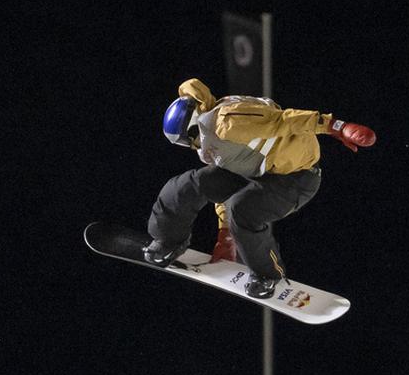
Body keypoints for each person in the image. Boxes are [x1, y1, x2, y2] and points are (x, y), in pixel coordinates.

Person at [147, 78, 376, 298]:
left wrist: (336, 127)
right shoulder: (210, 137)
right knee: (186, 186)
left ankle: (268, 274)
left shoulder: (227, 123)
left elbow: (284, 120)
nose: (188, 146)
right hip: (255, 170)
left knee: (244, 209)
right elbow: (226, 176)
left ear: (194, 128)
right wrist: (225, 233)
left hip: (295, 176)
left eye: (184, 140)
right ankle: (168, 241)